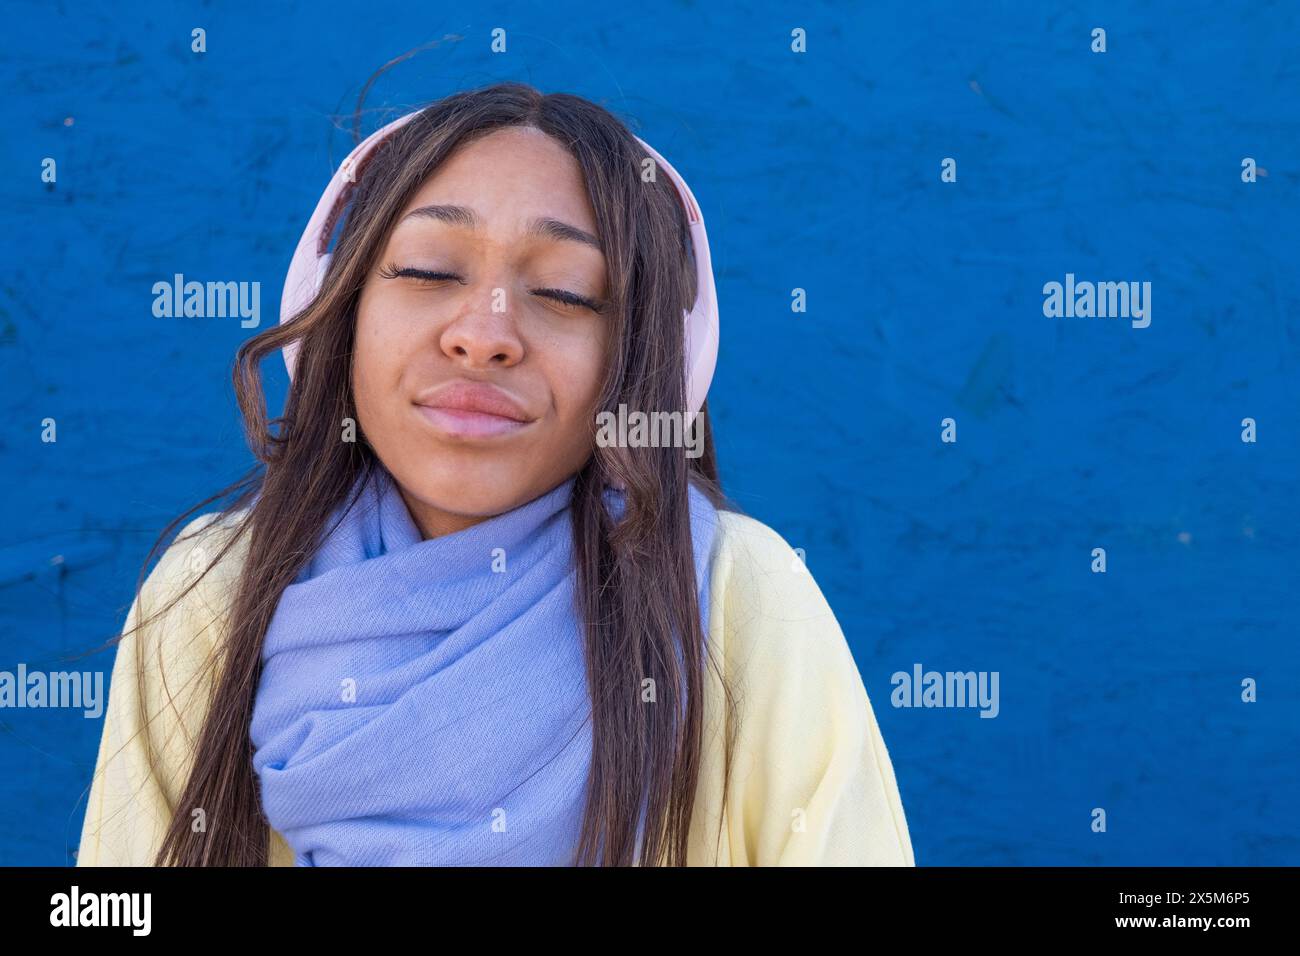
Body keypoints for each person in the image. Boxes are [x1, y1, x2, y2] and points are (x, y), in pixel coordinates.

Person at [75, 80, 914, 867]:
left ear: (645, 362)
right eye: (431, 271)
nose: (484, 334)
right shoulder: (213, 593)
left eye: (564, 292)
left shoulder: (738, 594)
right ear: (342, 310)